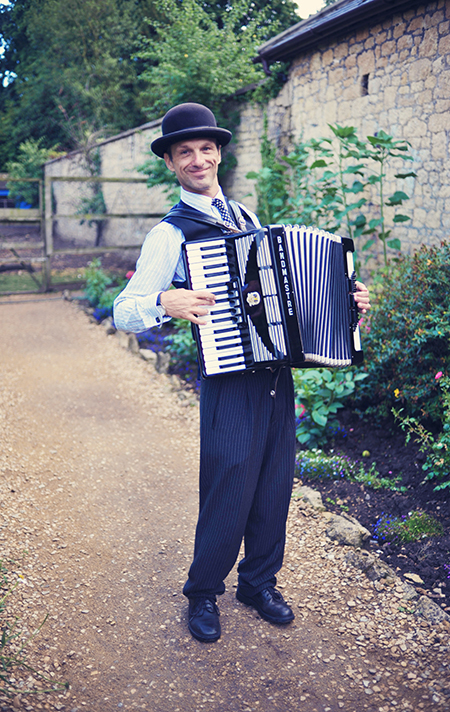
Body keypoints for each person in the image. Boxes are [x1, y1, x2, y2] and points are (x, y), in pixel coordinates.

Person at [113, 103, 371, 643]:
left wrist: (348, 304)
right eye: (185, 152)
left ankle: (258, 582)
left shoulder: (247, 217)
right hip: (228, 374)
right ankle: (203, 592)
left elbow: (287, 296)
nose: (198, 158)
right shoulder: (170, 233)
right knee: (229, 482)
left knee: (275, 482)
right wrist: (166, 299)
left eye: (206, 149)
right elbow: (123, 310)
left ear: (219, 153)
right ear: (171, 164)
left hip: (275, 373)